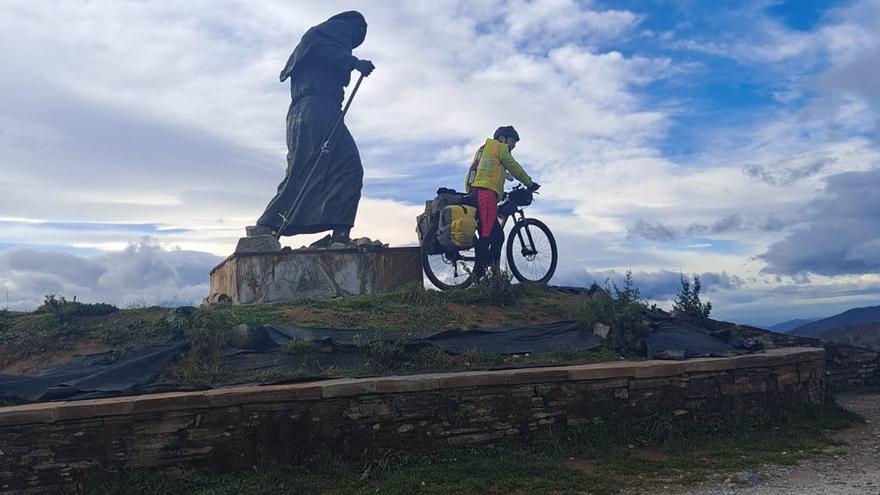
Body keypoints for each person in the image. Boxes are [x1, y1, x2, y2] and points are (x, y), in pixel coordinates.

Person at [253, 11, 375, 245]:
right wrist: (354, 62)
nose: (357, 38)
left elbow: (322, 54)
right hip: (319, 108)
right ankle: (271, 223)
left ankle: (274, 224)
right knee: (345, 167)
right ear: (353, 24)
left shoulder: (321, 37)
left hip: (308, 111)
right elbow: (320, 50)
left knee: (309, 167)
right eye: (361, 32)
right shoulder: (337, 28)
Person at [465, 126, 539, 279]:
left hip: (477, 194)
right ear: (502, 139)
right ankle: (479, 273)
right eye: (512, 141)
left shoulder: (485, 150)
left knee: (497, 236)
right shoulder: (499, 148)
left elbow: (479, 172)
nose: (513, 146)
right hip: (485, 195)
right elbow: (514, 167)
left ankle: (493, 272)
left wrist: (497, 191)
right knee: (487, 235)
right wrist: (529, 183)